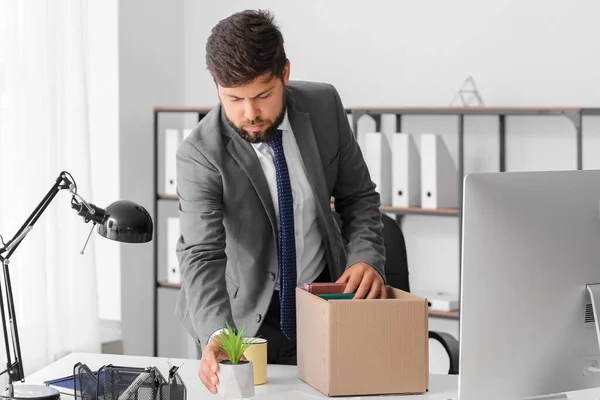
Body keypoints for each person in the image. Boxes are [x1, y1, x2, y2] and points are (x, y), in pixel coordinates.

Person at [175, 9, 386, 395]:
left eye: (262, 95)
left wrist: (365, 258)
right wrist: (218, 332)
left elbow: (359, 198)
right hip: (243, 325)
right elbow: (201, 254)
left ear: (284, 73)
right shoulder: (199, 155)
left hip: (324, 301)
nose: (249, 113)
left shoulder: (324, 106)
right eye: (233, 99)